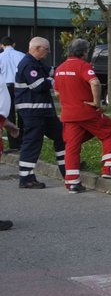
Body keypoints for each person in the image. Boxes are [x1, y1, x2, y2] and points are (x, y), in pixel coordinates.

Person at [54, 38, 111, 191]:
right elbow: (95, 82)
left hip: (69, 115)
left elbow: (57, 91)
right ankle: (108, 169)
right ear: (84, 52)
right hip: (87, 112)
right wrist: (97, 102)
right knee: (110, 132)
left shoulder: (60, 68)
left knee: (72, 146)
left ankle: (72, 181)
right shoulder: (83, 66)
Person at [14, 37, 66, 189]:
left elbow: (52, 71)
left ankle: (67, 169)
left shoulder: (36, 63)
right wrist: (55, 81)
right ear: (37, 48)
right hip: (33, 111)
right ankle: (26, 178)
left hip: (43, 111)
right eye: (46, 49)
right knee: (32, 142)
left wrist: (66, 71)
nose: (49, 52)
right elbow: (38, 84)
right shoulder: (28, 64)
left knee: (62, 135)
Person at [0, 36, 23, 149]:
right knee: (22, 113)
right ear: (13, 44)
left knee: (9, 114)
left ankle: (14, 144)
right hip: (20, 86)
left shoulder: (0, 57)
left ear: (1, 45)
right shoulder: (21, 55)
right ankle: (22, 140)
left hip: (6, 87)